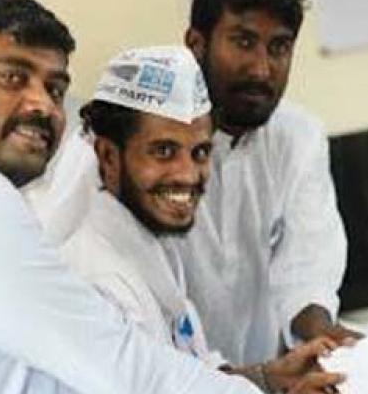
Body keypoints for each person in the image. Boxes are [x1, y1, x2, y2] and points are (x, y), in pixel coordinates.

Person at [25, 0, 357, 364]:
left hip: (259, 368)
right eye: (243, 41)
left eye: (279, 47)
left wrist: (318, 333)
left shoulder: (299, 135)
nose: (261, 68)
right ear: (196, 43)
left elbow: (308, 258)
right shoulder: (119, 140)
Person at [0, 0, 260, 394]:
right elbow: (127, 372)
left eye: (56, 89)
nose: (42, 105)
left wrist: (265, 378)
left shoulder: (158, 246)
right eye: (13, 77)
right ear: (109, 156)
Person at [60, 46, 344, 393]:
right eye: (163, 151)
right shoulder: (93, 281)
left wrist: (270, 377)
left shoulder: (151, 246)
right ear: (107, 155)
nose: (187, 174)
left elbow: (189, 373)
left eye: (199, 153)